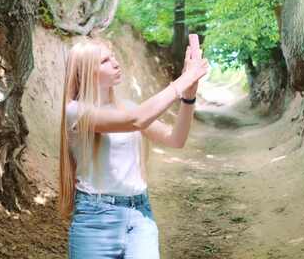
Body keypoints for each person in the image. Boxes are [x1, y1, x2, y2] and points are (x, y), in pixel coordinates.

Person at [59, 36, 208, 259]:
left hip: (139, 215)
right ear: (85, 71)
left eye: (114, 57)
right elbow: (137, 120)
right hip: (95, 219)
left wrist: (189, 97)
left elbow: (176, 139)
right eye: (105, 61)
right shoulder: (75, 111)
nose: (116, 63)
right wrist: (183, 80)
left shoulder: (127, 108)